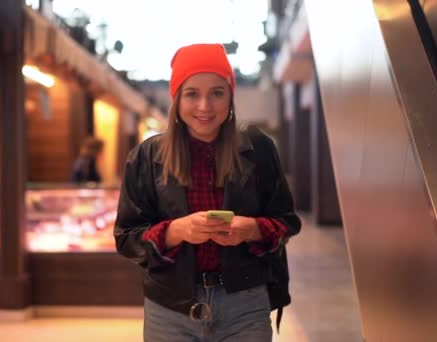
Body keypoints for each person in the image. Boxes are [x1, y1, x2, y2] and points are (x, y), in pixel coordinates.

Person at [114, 43, 301, 341]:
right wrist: (177, 230)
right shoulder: (146, 157)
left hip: (245, 303)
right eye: (192, 94)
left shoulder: (259, 149)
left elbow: (288, 222)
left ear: (230, 96)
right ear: (177, 98)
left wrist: (252, 229)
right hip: (170, 307)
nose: (205, 106)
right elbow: (126, 238)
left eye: (217, 92)